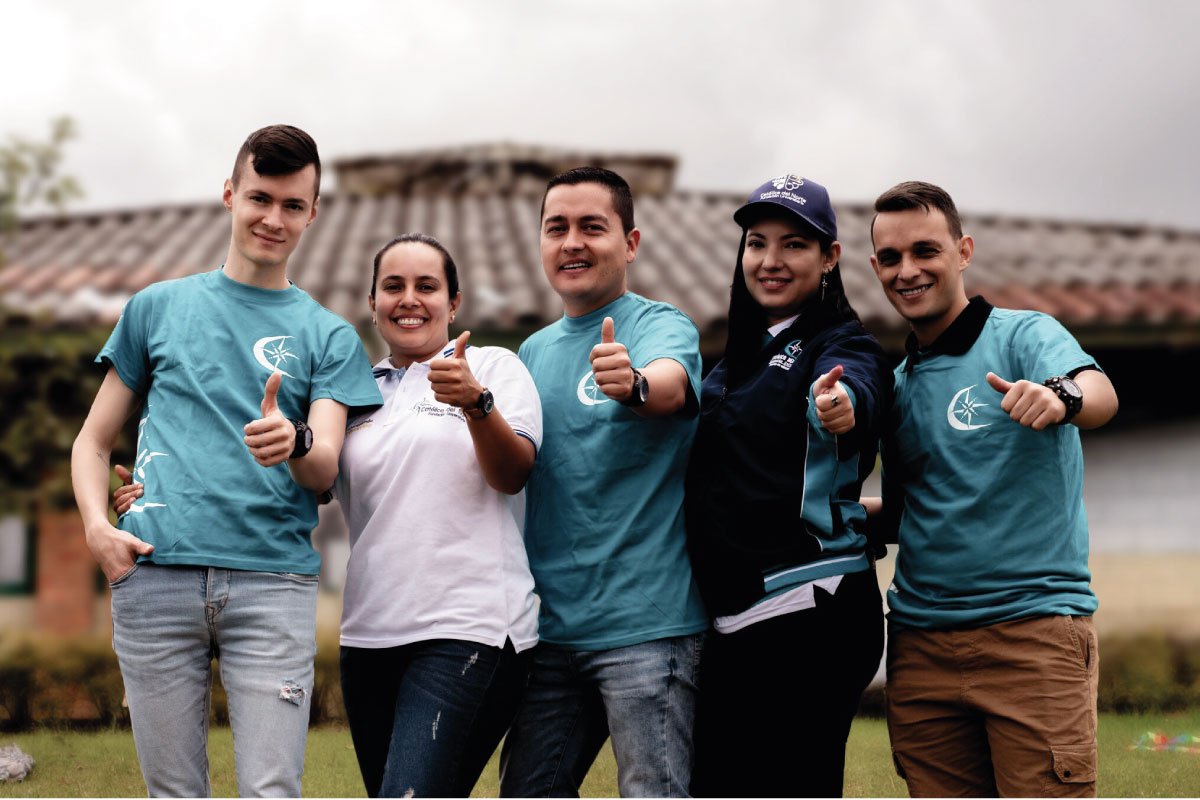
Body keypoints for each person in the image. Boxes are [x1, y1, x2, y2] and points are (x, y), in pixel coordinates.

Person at [117, 233, 543, 798]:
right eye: (393, 286)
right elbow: (301, 479)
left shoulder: (492, 367)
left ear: (454, 302)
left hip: (470, 628)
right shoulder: (355, 390)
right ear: (372, 303)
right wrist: (155, 491)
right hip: (370, 635)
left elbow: (512, 472)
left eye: (427, 286)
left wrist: (476, 403)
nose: (409, 299)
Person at [71, 125, 382, 797]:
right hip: (154, 580)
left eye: (292, 205)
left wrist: (293, 440)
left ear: (313, 212)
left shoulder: (328, 334)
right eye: (260, 198)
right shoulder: (156, 308)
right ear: (229, 195)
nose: (274, 218)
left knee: (272, 792)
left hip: (273, 586)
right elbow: (93, 441)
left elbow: (324, 465)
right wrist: (98, 529)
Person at [867, 181, 1119, 797]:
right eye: (892, 258)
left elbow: (1101, 394)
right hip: (920, 646)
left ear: (963, 251)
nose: (909, 271)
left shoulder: (1022, 336)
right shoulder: (896, 384)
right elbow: (906, 513)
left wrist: (1059, 396)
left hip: (1030, 634)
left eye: (926, 250)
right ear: (874, 268)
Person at [499, 167, 707, 798]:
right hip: (552, 629)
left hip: (648, 627)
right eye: (556, 227)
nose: (572, 243)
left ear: (631, 242)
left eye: (593, 227)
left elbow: (669, 382)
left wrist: (635, 383)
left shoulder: (659, 325)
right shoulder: (530, 354)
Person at [684, 174, 891, 798]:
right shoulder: (735, 358)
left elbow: (858, 385)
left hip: (808, 606)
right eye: (757, 243)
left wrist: (841, 405)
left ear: (830, 258)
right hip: (740, 615)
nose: (770, 261)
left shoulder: (842, 342)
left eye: (794, 244)